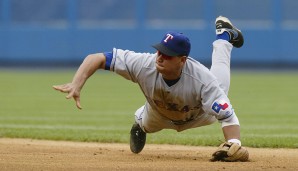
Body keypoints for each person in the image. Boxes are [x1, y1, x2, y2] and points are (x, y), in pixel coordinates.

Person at [53, 16, 249, 162]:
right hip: (157, 114)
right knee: (145, 124)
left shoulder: (203, 80)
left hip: (200, 114)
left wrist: (234, 143)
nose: (160, 57)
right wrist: (77, 83)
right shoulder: (144, 64)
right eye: (160, 51)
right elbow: (97, 57)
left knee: (219, 82)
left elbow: (229, 117)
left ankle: (224, 37)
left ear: (182, 60)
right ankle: (138, 123)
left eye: (168, 55)